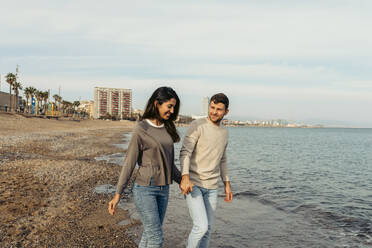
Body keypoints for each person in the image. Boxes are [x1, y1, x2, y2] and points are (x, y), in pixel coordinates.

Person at [108, 86, 182, 248]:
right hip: (145, 189)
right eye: (169, 106)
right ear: (157, 103)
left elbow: (169, 164)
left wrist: (182, 180)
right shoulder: (141, 128)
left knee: (150, 235)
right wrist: (118, 193)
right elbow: (129, 162)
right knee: (156, 238)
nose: (171, 110)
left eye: (174, 107)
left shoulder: (168, 128)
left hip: (164, 189)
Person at [179, 93, 233, 248]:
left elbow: (222, 159)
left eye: (219, 109)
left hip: (212, 187)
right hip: (194, 184)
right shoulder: (197, 125)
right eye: (212, 107)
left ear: (226, 112)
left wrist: (227, 183)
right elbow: (185, 153)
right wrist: (185, 177)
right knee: (200, 227)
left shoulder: (225, 132)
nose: (214, 112)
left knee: (208, 229)